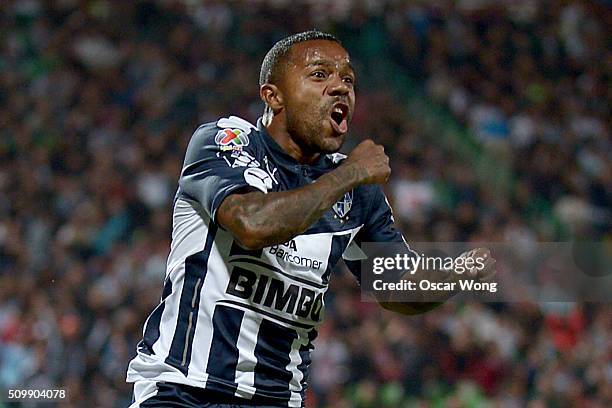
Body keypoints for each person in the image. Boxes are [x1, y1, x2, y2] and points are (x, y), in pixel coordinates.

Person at [126, 30, 493, 408]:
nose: (340, 88)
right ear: (273, 96)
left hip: (279, 399)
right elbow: (252, 225)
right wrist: (349, 174)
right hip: (184, 391)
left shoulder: (355, 193)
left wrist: (458, 274)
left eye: (348, 79)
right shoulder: (225, 142)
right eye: (320, 75)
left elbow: (396, 287)